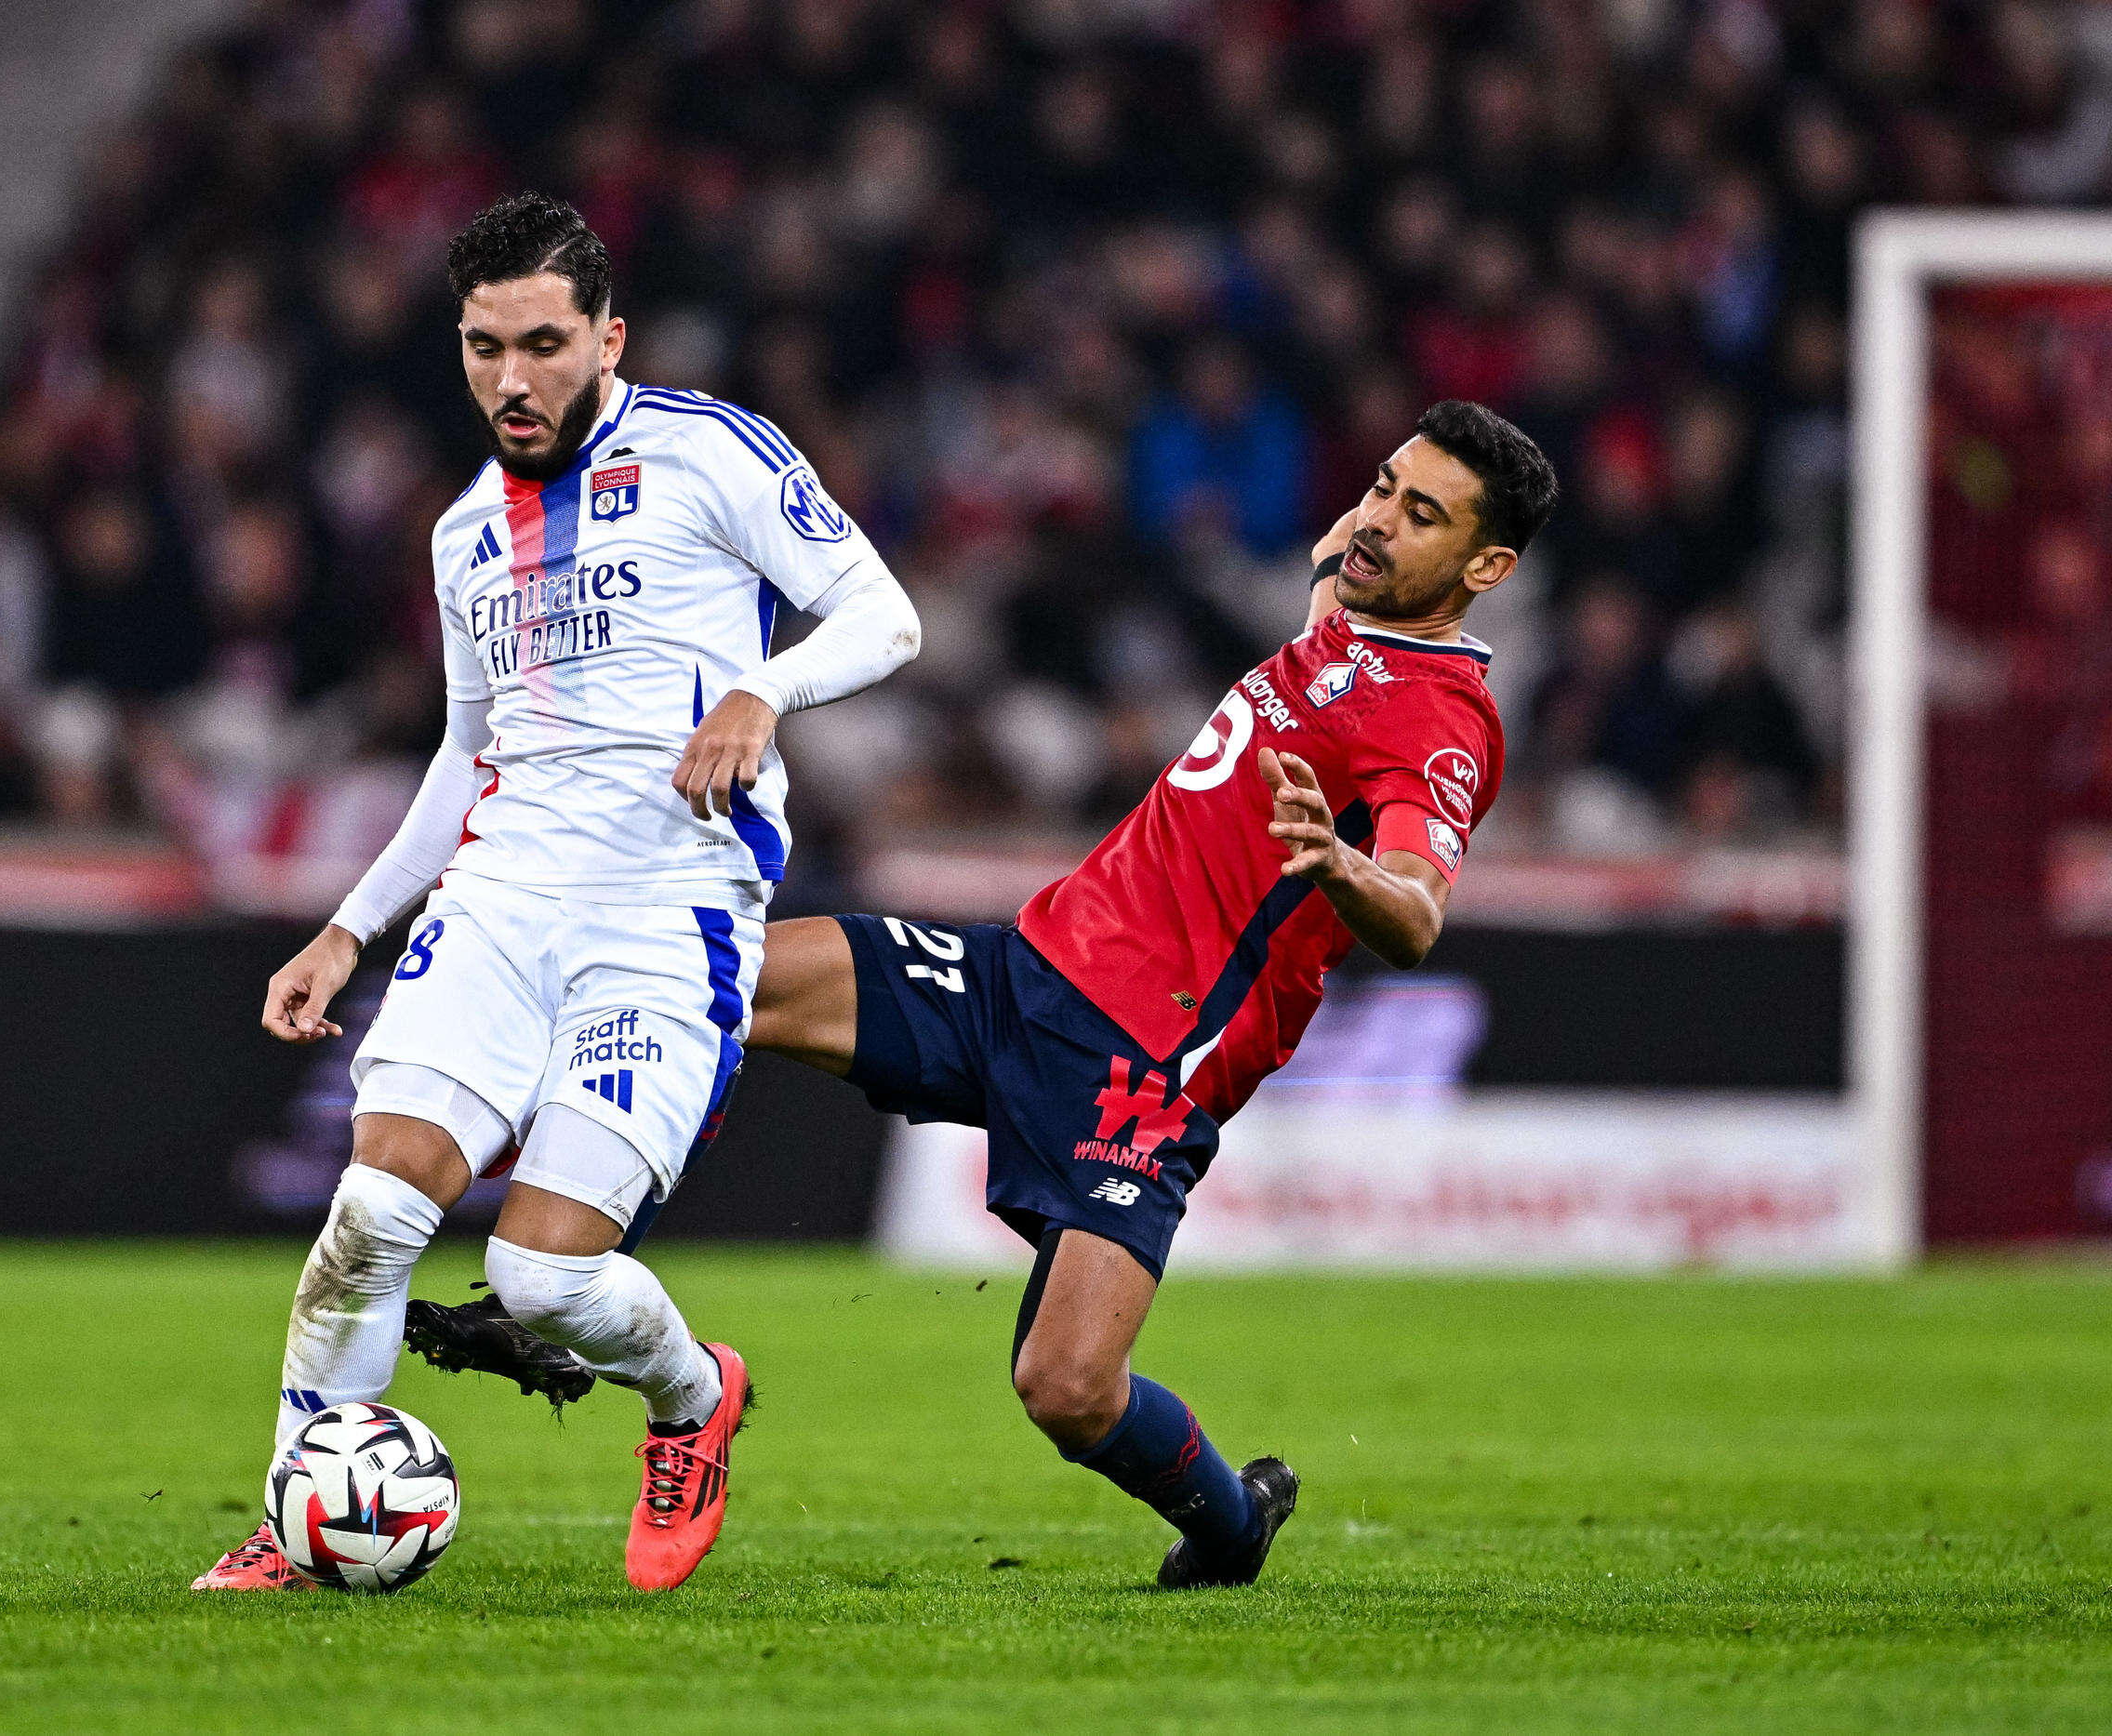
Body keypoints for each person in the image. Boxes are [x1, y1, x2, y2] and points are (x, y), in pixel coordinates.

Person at [413, 401, 1558, 1589]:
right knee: (702, 983)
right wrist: (1362, 541)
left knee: (1065, 1389)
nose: (1375, 520)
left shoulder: (1440, 719)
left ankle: (1230, 1524)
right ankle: (572, 1299)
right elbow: (1341, 554)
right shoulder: (1347, 599)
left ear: (1486, 569)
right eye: (1380, 484)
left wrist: (1340, 864)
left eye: (1419, 514)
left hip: (1142, 1071)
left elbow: (1418, 911)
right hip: (1019, 976)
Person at [191, 193, 923, 1594]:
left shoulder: (711, 451)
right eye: (482, 348)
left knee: (541, 1283)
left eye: (541, 343)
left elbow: (885, 612)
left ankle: (694, 1395)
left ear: (608, 336)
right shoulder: (466, 533)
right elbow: (467, 755)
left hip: (671, 904)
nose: (511, 380)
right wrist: (348, 926)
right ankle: (298, 1513)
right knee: (372, 1211)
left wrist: (764, 690)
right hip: (504, 891)